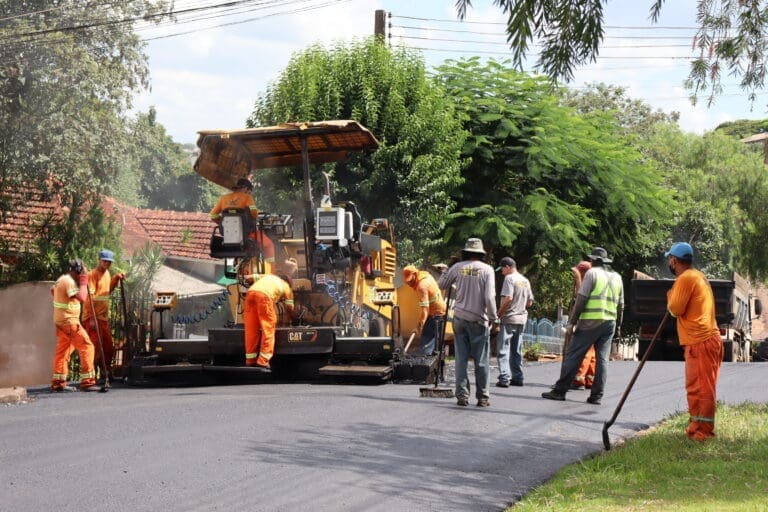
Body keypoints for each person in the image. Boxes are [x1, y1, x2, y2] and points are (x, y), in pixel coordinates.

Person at [542, 247, 623, 405]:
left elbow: (581, 299)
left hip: (590, 323)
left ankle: (559, 391)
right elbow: (621, 305)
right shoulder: (617, 277)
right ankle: (596, 396)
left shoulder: (592, 273)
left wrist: (572, 322)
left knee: (573, 355)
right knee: (602, 360)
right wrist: (618, 327)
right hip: (610, 323)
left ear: (593, 260)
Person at [665, 242, 722, 441]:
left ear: (674, 260)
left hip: (701, 341)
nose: (669, 263)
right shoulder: (698, 276)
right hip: (706, 339)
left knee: (700, 388)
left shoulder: (685, 278)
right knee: (699, 387)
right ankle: (697, 426)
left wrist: (670, 295)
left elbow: (675, 309)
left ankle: (703, 432)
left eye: (669, 259)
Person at [438, 238, 497, 407]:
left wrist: (447, 270)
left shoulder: (457, 267)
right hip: (478, 321)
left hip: (460, 320)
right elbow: (489, 297)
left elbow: (442, 285)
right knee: (481, 361)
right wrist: (494, 318)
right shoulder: (487, 270)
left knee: (461, 359)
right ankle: (483, 397)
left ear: (465, 252)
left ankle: (462, 396)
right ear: (481, 253)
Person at [50, 259, 100, 392]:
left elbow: (52, 291)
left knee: (63, 352)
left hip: (61, 322)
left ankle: (58, 382)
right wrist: (84, 280)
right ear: (77, 270)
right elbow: (83, 297)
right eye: (81, 271)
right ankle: (88, 382)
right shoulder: (69, 282)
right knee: (87, 347)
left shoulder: (61, 279)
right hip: (69, 322)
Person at [81, 249, 125, 379]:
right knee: (94, 348)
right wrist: (91, 318)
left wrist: (116, 279)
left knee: (107, 347)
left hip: (102, 318)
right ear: (99, 260)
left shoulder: (107, 274)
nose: (107, 264)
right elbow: (89, 298)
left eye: (109, 262)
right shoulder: (92, 275)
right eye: (105, 261)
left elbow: (107, 291)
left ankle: (105, 371)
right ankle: (91, 375)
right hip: (93, 318)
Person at [210, 177, 275, 264]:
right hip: (247, 234)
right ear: (246, 188)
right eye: (249, 191)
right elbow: (254, 213)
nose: (249, 193)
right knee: (269, 245)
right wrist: (253, 219)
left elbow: (213, 215)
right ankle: (271, 269)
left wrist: (224, 224)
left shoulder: (224, 198)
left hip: (228, 236)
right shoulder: (247, 197)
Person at [494, 257, 534, 387]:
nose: (502, 272)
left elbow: (508, 298)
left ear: (507, 267)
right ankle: (518, 377)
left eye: (502, 269)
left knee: (503, 349)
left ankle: (504, 378)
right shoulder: (525, 280)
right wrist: (519, 305)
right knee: (516, 349)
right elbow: (529, 302)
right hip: (521, 319)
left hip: (509, 318)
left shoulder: (509, 278)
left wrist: (499, 314)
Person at [243, 273, 295, 370]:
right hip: (264, 297)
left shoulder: (269, 276)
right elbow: (289, 307)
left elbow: (249, 278)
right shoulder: (286, 287)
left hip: (250, 294)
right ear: (288, 283)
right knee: (268, 329)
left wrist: (245, 278)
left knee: (251, 330)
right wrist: (294, 318)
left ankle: (250, 360)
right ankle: (263, 361)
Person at [403, 265, 447, 355]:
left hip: (436, 315)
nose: (409, 284)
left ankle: (425, 358)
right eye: (408, 282)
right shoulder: (426, 275)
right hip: (438, 313)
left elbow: (425, 310)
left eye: (411, 281)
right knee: (435, 345)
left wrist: (419, 327)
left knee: (426, 345)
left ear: (415, 274)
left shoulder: (422, 286)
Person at [569, 260, 596, 390]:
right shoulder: (596, 279)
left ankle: (579, 379)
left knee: (584, 351)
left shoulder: (588, 281)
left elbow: (580, 296)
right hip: (595, 321)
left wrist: (578, 278)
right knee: (591, 352)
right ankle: (590, 379)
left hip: (588, 321)